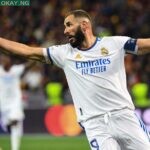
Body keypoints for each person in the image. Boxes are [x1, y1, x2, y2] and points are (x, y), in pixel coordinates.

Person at [0, 9, 150, 150]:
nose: (65, 31)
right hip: (95, 124)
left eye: (69, 25)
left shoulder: (115, 44)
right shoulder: (64, 53)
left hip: (123, 116)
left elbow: (144, 45)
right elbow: (28, 51)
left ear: (84, 25)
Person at [0, 54, 34, 150]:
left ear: (10, 61)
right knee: (9, 127)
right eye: (2, 60)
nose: (3, 61)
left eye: (5, 59)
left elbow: (27, 66)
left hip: (15, 102)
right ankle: (10, 123)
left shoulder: (16, 70)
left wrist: (35, 56)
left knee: (15, 122)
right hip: (3, 104)